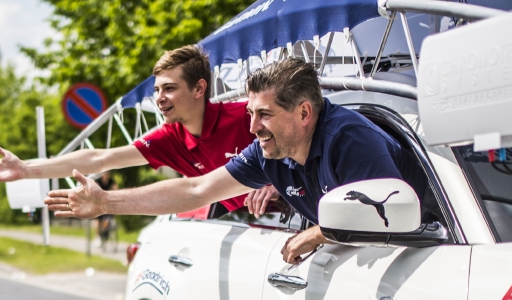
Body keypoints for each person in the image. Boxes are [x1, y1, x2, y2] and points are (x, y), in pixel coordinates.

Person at [46, 58, 404, 265]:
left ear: (304, 113)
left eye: (264, 114)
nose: (252, 127)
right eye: (249, 113)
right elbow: (195, 190)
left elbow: (390, 211)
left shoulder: (349, 138)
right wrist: (106, 202)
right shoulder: (270, 149)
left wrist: (317, 232)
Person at [0, 45, 279, 216]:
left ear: (199, 88)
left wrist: (275, 183)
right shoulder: (170, 138)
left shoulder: (244, 116)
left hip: (292, 218)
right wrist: (26, 169)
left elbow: (298, 152)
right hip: (247, 229)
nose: (159, 99)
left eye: (169, 89)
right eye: (157, 89)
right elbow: (100, 158)